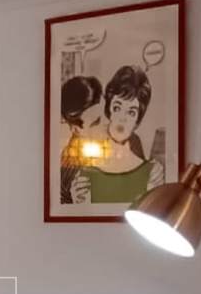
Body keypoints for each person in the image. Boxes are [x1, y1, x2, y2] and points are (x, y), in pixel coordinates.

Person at [71, 65, 165, 205]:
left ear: (137, 121)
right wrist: (78, 204)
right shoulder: (87, 172)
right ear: (109, 109)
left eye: (131, 112)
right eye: (117, 107)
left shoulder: (152, 173)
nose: (122, 118)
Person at [58, 75, 103, 204]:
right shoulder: (68, 166)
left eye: (101, 119)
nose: (106, 125)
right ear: (75, 130)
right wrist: (75, 203)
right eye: (96, 123)